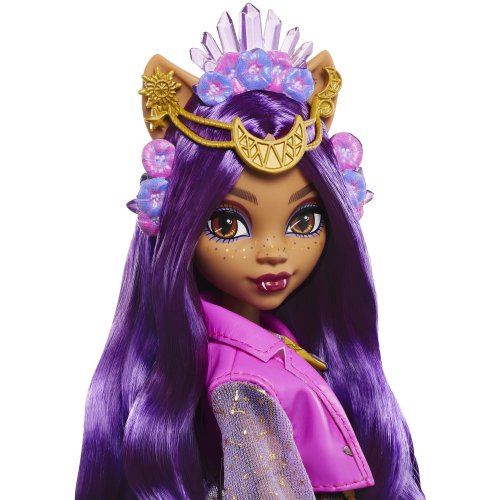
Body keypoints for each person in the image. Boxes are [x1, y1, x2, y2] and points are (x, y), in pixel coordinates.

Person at [76, 4, 424, 499]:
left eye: (304, 221)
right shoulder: (241, 382)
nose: (275, 252)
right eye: (228, 224)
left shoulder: (273, 343)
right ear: (179, 229)